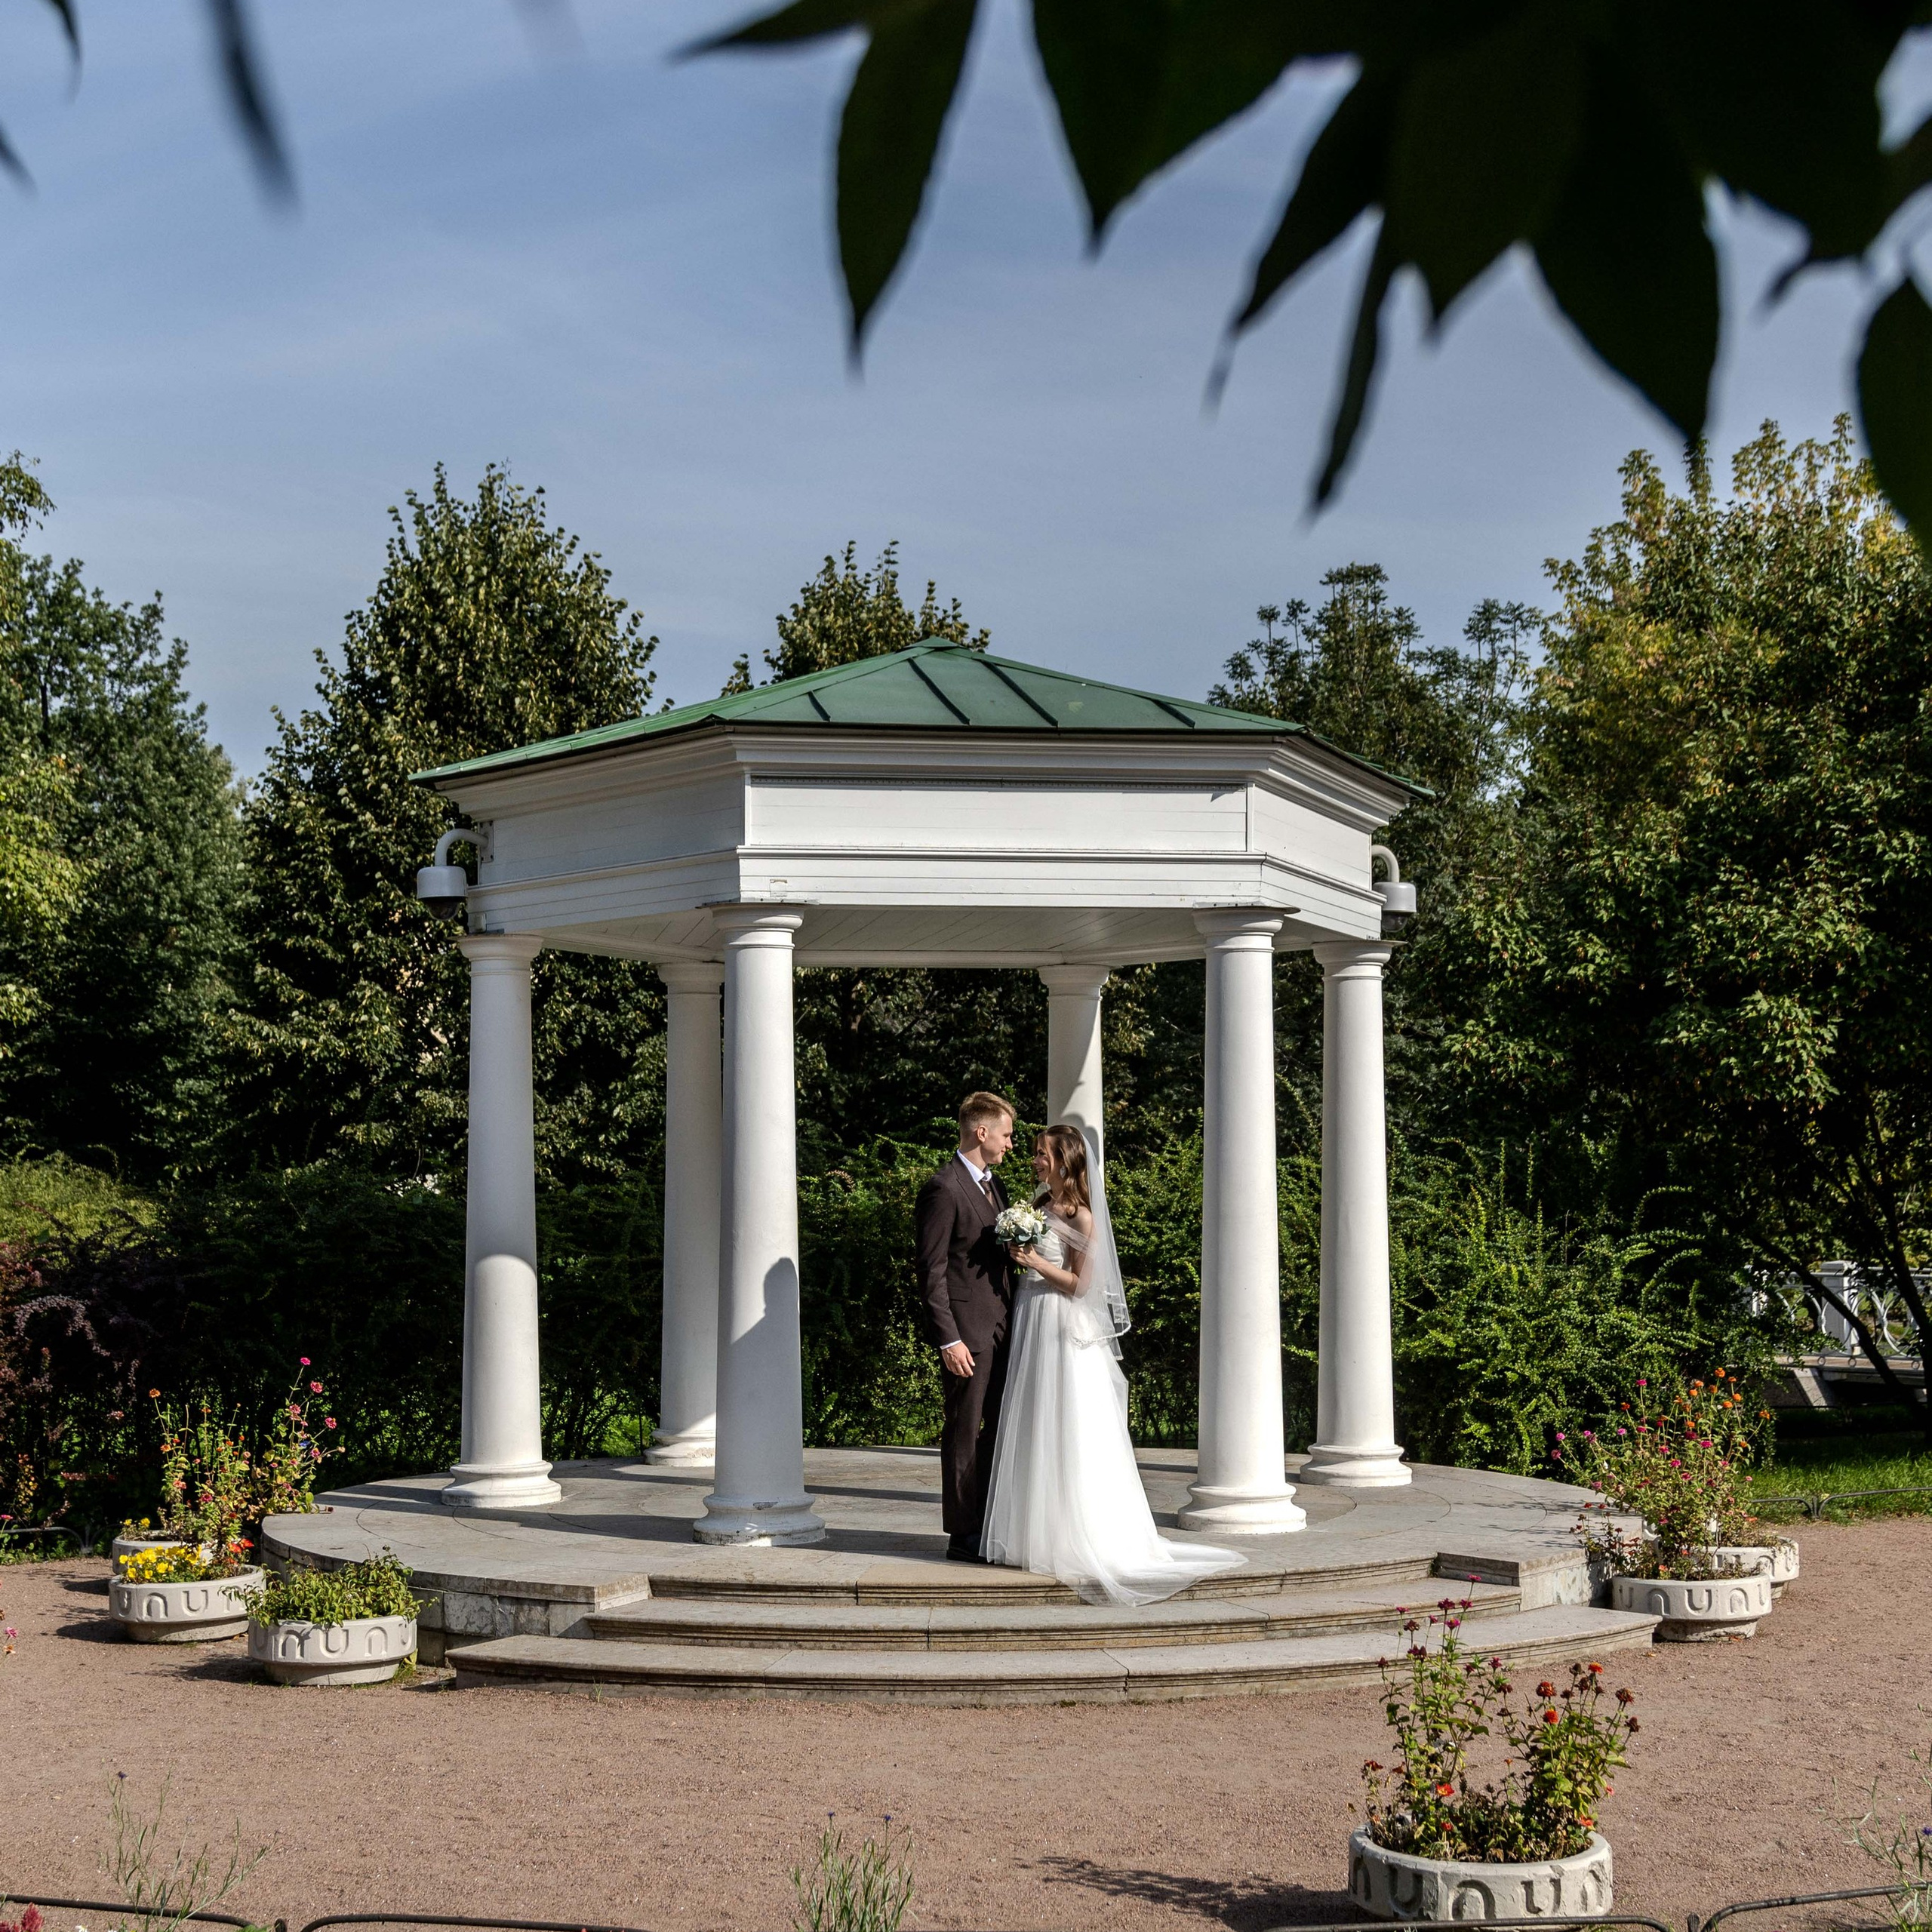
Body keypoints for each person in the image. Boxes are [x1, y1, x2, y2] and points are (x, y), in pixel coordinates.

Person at [983, 1123, 1244, 1604]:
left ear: (1066, 1160)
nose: (1035, 1160)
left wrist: (1035, 1264)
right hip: (1031, 1316)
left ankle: (1079, 1535)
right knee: (1036, 1421)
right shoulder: (1038, 1205)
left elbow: (1082, 1286)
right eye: (1037, 1153)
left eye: (1043, 1154)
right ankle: (1037, 1533)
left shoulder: (1082, 1217)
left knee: (1070, 1423)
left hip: (1059, 1322)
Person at [914, 1091, 1018, 1562]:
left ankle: (991, 1520)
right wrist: (948, 1338)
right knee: (963, 1430)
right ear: (982, 1132)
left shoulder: (995, 1187)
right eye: (1006, 1134)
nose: (1010, 1144)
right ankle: (963, 1534)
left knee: (998, 1428)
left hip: (1003, 1328)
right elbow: (931, 1270)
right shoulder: (944, 1187)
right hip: (967, 1336)